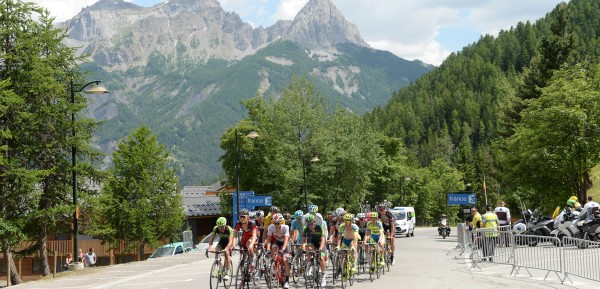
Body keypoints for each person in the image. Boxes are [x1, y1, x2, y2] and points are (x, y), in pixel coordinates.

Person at [265, 213, 291, 289]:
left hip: (285, 243)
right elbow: (269, 239)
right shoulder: (271, 227)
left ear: (281, 222)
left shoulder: (285, 227)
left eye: (278, 223)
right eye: (275, 223)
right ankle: (275, 265)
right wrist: (268, 249)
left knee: (285, 259)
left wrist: (282, 250)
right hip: (278, 241)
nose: (276, 224)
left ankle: (287, 280)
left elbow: (286, 240)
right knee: (273, 249)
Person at [302, 214, 327, 287]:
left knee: (321, 258)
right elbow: (304, 241)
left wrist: (320, 249)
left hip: (320, 243)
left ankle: (323, 275)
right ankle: (309, 265)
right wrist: (303, 248)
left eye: (312, 223)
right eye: (309, 224)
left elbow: (323, 240)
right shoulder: (306, 229)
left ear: (315, 222)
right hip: (312, 243)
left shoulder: (320, 228)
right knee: (308, 249)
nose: (310, 225)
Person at [208, 217, 234, 281]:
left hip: (228, 242)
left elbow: (230, 241)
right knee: (217, 250)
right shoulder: (215, 228)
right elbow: (211, 239)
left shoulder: (228, 229)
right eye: (219, 227)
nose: (220, 228)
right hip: (222, 242)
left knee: (227, 253)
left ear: (225, 225)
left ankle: (227, 272)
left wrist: (226, 248)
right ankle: (220, 264)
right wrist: (210, 247)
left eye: (222, 227)